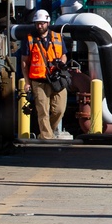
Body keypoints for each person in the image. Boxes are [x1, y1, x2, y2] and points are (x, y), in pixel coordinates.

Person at [21, 10, 68, 141]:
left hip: (56, 79)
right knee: (43, 111)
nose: (39, 26)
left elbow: (64, 55)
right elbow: (24, 62)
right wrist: (27, 82)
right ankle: (47, 138)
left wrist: (61, 63)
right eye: (37, 24)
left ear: (48, 23)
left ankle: (48, 132)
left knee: (59, 109)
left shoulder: (57, 37)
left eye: (42, 23)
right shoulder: (29, 39)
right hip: (38, 80)